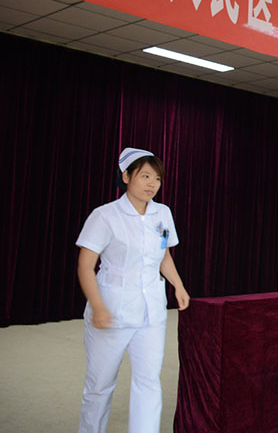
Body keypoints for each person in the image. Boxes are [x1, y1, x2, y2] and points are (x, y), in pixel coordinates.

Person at [76, 147, 190, 433]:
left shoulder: (163, 213)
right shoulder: (105, 216)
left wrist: (178, 285)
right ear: (126, 177)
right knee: (100, 385)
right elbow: (85, 266)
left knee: (148, 382)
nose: (152, 184)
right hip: (112, 310)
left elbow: (164, 256)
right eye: (145, 176)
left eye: (157, 178)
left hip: (151, 312)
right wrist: (98, 306)